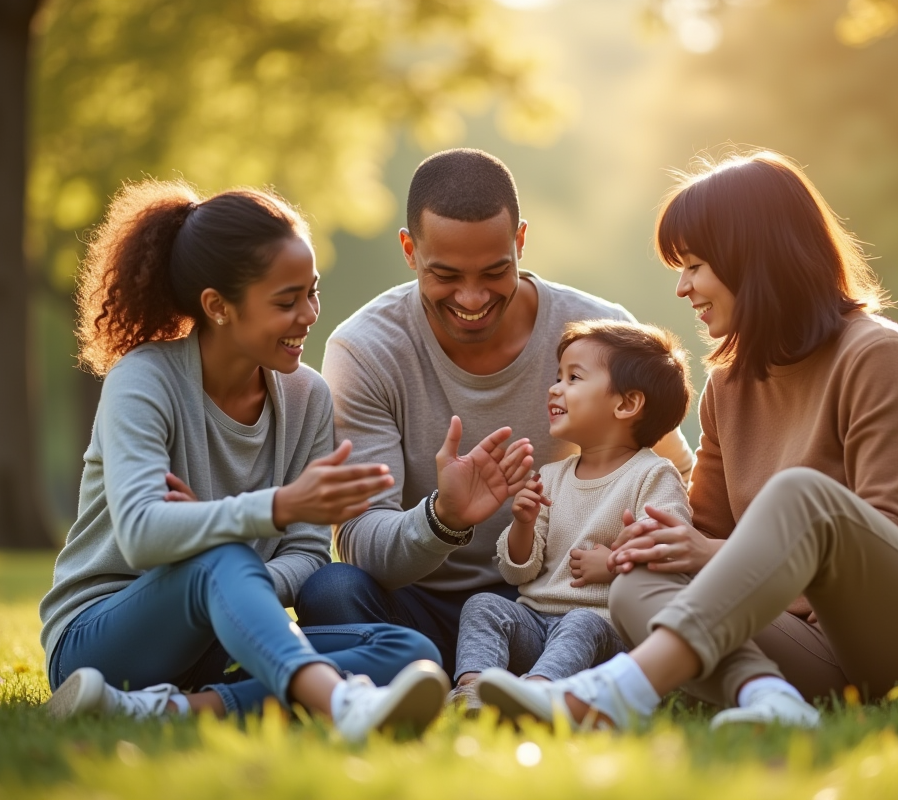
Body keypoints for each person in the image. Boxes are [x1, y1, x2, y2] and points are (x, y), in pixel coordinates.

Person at [474, 150, 898, 731]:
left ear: (755, 259)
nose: (684, 287)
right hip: (828, 652)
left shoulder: (876, 356)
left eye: (694, 265)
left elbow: (886, 540)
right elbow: (705, 539)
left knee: (801, 497)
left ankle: (618, 691)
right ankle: (769, 696)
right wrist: (651, 547)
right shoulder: (729, 388)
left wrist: (708, 554)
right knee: (638, 587)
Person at [39, 180, 456, 741]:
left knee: (409, 653)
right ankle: (338, 704)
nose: (308, 314)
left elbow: (308, 555)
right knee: (217, 560)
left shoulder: (308, 397)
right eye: (286, 301)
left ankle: (174, 711)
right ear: (218, 306)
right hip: (101, 639)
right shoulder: (144, 380)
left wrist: (233, 585)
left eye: (312, 292)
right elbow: (141, 534)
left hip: (217, 639)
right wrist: (273, 511)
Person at [295, 149, 695, 678]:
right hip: (419, 607)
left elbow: (676, 473)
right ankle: (444, 669)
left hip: (551, 604)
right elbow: (360, 541)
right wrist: (444, 519)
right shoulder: (366, 349)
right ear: (410, 250)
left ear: (520, 242)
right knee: (332, 591)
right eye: (445, 274)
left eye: (495, 270)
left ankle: (457, 673)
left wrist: (628, 555)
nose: (472, 297)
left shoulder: (598, 334)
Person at [451, 320, 693, 710]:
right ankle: (473, 691)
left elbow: (674, 555)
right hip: (537, 623)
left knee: (582, 623)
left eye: (573, 377)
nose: (555, 388)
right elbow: (518, 573)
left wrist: (615, 564)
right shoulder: (551, 476)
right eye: (558, 376)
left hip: (606, 635)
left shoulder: (653, 474)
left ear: (626, 404)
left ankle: (539, 696)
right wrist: (523, 526)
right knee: (484, 605)